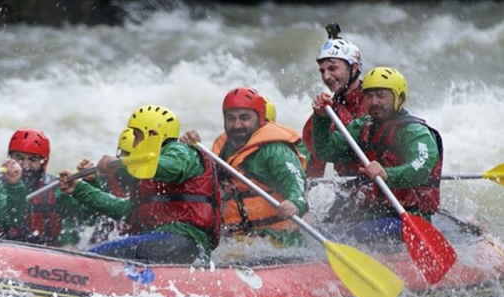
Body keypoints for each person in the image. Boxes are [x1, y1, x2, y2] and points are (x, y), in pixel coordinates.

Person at [58, 105, 221, 264]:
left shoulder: (181, 151)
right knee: (99, 253)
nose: (134, 144)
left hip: (185, 240)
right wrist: (79, 188)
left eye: (137, 136)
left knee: (91, 258)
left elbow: (173, 167)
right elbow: (126, 210)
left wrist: (121, 163)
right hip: (163, 241)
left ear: (153, 134)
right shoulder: (147, 170)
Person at [310, 66, 443, 235]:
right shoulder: (362, 126)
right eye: (369, 96)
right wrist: (321, 118)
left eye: (381, 95)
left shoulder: (415, 132)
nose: (374, 102)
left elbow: (421, 169)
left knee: (357, 234)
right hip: (371, 211)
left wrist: (387, 174)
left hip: (408, 215)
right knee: (323, 230)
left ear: (399, 98)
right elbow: (325, 152)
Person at [182, 87, 308, 247]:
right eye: (230, 118)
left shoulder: (275, 150)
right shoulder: (223, 148)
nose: (237, 125)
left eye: (245, 117)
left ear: (260, 119)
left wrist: (295, 203)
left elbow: (295, 181)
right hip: (237, 237)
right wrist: (190, 150)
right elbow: (203, 179)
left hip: (278, 238)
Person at [3, 128, 96, 247]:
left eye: (33, 160)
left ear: (43, 162)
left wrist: (91, 184)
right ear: (9, 158)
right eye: (19, 158)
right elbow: (4, 219)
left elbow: (88, 218)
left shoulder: (56, 188)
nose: (25, 166)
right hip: (6, 251)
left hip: (48, 256)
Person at [302, 23, 366, 178]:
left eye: (332, 68)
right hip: (349, 185)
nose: (326, 77)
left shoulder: (374, 101)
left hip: (381, 182)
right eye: (322, 71)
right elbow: (313, 157)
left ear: (354, 67)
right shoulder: (326, 111)